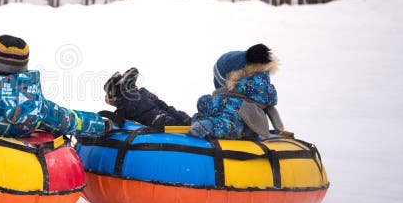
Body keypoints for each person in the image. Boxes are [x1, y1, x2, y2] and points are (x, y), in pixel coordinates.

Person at [103, 43, 284, 140]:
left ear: (228, 80)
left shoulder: (242, 104)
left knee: (159, 119)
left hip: (203, 132)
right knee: (169, 110)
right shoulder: (246, 98)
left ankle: (124, 97)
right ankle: (132, 92)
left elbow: (233, 126)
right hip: (199, 126)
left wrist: (210, 126)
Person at [187, 43, 284, 139]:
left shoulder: (240, 106)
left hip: (218, 130)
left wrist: (209, 126)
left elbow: (233, 126)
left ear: (225, 80)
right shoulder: (240, 101)